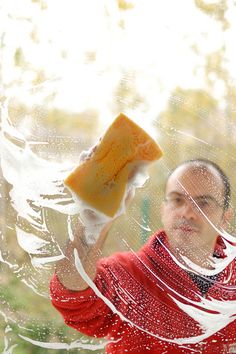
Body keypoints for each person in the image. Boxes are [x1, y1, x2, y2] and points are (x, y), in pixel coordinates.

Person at [50, 158, 236, 354]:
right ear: (163, 210)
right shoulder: (129, 275)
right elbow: (72, 297)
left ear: (225, 218)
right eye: (177, 200)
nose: (187, 212)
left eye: (203, 203)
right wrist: (94, 221)